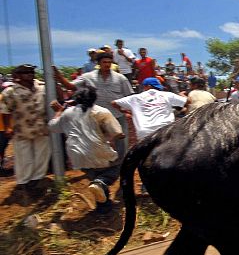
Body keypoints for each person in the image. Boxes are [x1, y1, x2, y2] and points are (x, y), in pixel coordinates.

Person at [54, 51, 133, 186]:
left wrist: (127, 111)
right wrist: (59, 76)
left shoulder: (121, 78)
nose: (107, 65)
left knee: (122, 145)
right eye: (104, 62)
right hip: (95, 118)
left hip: (117, 116)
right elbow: (71, 87)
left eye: (109, 62)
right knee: (96, 143)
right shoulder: (87, 77)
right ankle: (100, 174)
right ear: (98, 64)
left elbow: (130, 96)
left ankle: (118, 171)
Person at [48, 86, 124, 211]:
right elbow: (117, 133)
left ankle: (103, 205)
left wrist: (59, 111)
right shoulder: (101, 111)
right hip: (97, 150)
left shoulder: (68, 113)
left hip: (75, 154)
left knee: (94, 175)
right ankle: (102, 182)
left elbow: (52, 127)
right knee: (116, 167)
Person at [0, 64, 50, 191]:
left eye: (31, 72)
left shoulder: (42, 87)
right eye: (25, 72)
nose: (30, 74)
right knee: (24, 156)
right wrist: (7, 127)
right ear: (17, 76)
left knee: (41, 154)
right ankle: (24, 181)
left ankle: (38, 178)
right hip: (22, 128)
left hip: (41, 127)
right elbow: (5, 111)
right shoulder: (10, 92)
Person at [112, 77, 186, 140]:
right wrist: (182, 95)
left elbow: (114, 103)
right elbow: (187, 102)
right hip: (166, 130)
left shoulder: (134, 98)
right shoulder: (167, 94)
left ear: (146, 86)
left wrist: (125, 111)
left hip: (144, 133)